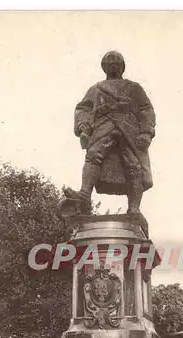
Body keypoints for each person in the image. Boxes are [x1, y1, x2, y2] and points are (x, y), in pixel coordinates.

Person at [63, 51, 156, 215]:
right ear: (104, 67)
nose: (113, 66)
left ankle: (134, 208)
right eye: (109, 64)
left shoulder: (133, 88)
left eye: (116, 63)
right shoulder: (95, 89)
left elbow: (146, 110)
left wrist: (146, 132)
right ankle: (84, 194)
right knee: (93, 156)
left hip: (129, 129)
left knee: (133, 166)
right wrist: (84, 125)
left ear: (122, 67)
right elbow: (83, 108)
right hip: (103, 126)